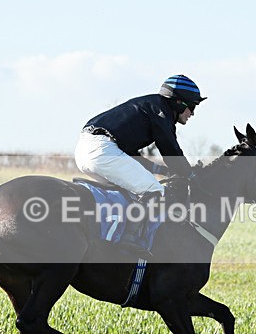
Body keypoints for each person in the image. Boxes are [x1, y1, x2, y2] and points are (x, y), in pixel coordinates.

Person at [74, 75, 206, 250]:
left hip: (86, 150)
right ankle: (129, 240)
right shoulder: (160, 112)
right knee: (154, 190)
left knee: (132, 192)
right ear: (179, 102)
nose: (192, 113)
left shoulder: (151, 107)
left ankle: (104, 239)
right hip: (102, 151)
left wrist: (161, 170)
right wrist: (190, 175)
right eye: (192, 106)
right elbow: (171, 150)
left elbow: (131, 156)